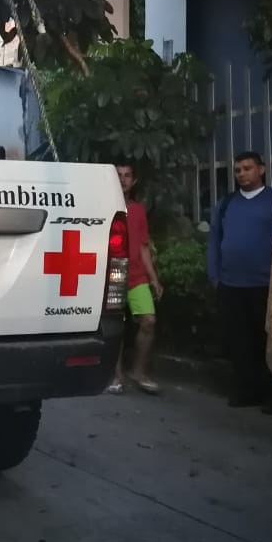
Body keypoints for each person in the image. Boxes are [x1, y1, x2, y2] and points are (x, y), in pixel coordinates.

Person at [207, 151, 272, 413]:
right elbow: (214, 241)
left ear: (261, 170)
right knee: (239, 342)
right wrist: (214, 276)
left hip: (265, 286)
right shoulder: (227, 204)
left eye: (247, 168)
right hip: (231, 285)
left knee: (268, 342)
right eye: (238, 170)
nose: (241, 174)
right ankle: (245, 391)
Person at [107, 162, 163, 395]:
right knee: (114, 326)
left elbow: (143, 247)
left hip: (137, 275)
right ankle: (115, 376)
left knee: (148, 321)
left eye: (127, 175)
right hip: (114, 272)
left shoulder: (138, 209)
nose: (123, 179)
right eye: (118, 175)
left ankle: (139, 372)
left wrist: (154, 279)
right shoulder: (104, 205)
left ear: (134, 180)